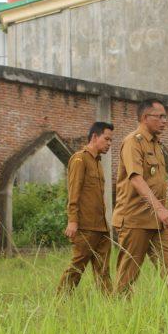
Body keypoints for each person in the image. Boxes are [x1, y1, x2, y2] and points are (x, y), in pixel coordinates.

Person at [112, 99, 168, 295]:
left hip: (158, 222)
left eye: (165, 117)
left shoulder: (156, 144)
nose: (164, 121)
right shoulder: (133, 142)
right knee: (127, 276)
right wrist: (161, 209)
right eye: (160, 116)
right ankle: (118, 317)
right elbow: (136, 179)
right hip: (135, 219)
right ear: (146, 118)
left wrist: (162, 211)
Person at [57, 121, 114, 295]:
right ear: (95, 137)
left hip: (101, 227)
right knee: (77, 267)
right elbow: (74, 192)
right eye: (107, 139)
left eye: (111, 140)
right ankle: (60, 301)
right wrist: (72, 221)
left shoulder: (97, 163)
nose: (109, 144)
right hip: (85, 226)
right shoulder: (79, 159)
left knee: (103, 270)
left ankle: (109, 305)